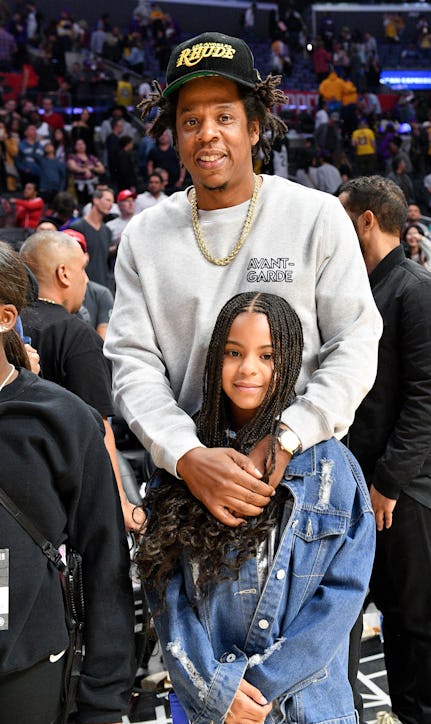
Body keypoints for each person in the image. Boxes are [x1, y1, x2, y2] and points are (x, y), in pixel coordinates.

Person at [104, 31, 382, 531]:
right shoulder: (144, 235)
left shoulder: (316, 216)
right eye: (191, 121)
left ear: (254, 128)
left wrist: (288, 435)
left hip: (303, 468)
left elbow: (355, 342)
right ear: (175, 136)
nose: (207, 133)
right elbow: (133, 364)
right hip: (188, 476)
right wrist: (186, 453)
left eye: (224, 117)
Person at [136, 291, 375, 724]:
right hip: (212, 719)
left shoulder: (332, 466)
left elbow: (343, 595)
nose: (248, 368)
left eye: (267, 355)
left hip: (307, 718)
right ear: (213, 360)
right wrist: (216, 690)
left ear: (288, 363)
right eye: (233, 352)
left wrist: (253, 693)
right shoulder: (186, 460)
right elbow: (165, 590)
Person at [338, 175, 431, 724]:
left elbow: (427, 402)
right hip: (376, 477)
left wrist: (387, 482)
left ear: (367, 220)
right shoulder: (370, 288)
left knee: (418, 615)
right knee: (391, 611)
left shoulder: (417, 290)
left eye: (342, 218)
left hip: (405, 480)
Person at [0, 242, 135, 724]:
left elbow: (105, 560)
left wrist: (102, 699)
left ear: (5, 316)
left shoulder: (59, 419)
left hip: (26, 672)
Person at [19, 231, 141, 531]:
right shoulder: (75, 335)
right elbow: (98, 428)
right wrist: (121, 503)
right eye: (82, 270)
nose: (86, 281)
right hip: (65, 497)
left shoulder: (7, 327)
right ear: (64, 274)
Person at [71, 186, 116, 291]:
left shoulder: (107, 230)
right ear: (96, 200)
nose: (111, 205)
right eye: (108, 200)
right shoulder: (77, 227)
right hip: (82, 287)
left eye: (112, 202)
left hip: (103, 286)